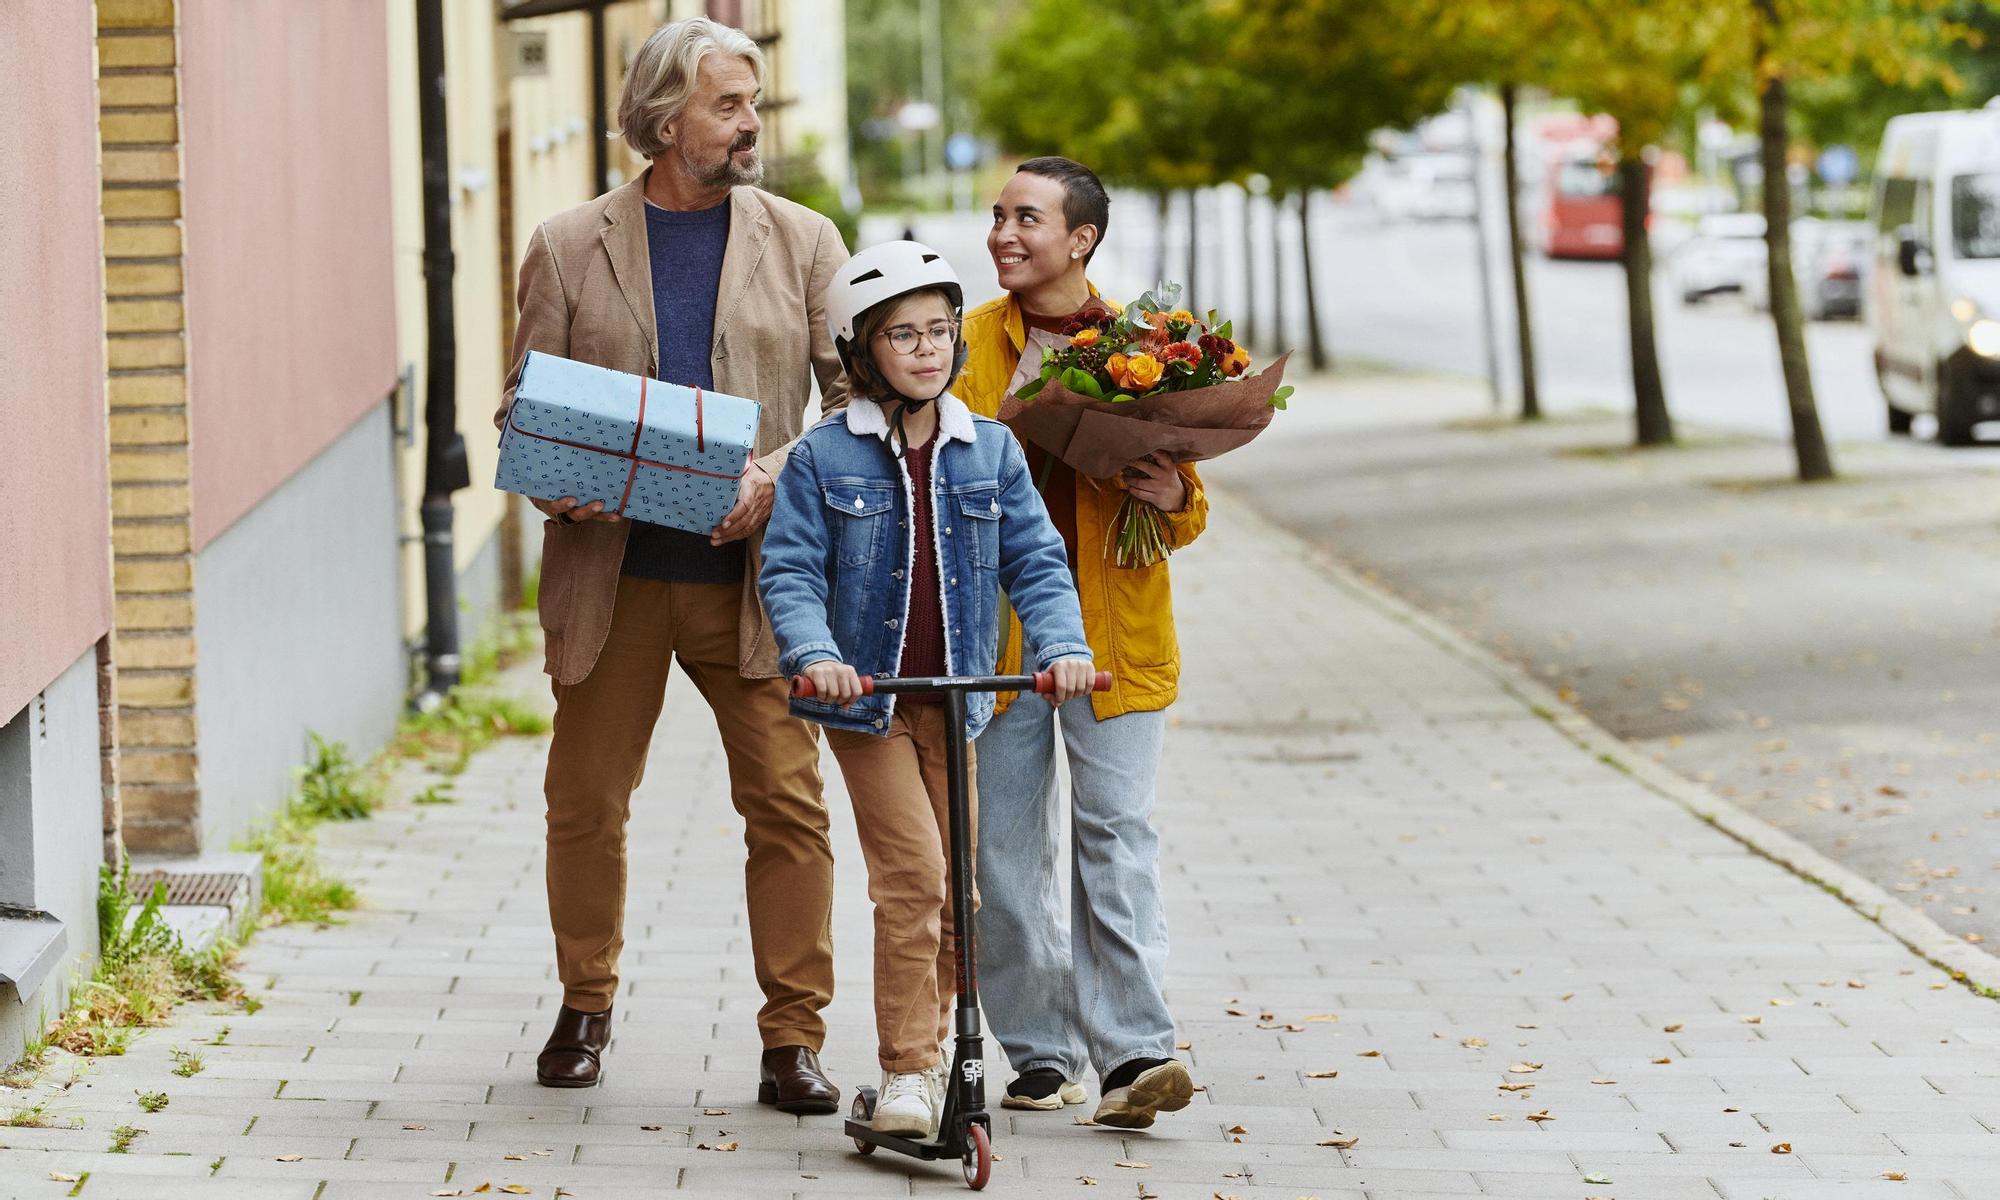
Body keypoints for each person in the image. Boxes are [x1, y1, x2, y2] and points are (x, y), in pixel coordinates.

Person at [494, 16, 850, 1112]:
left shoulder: (803, 240)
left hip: (757, 586)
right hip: (615, 575)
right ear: (663, 119)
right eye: (729, 104)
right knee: (585, 804)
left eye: (751, 102)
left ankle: (793, 1038)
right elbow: (522, 402)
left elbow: (855, 404)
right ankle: (583, 1004)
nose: (751, 122)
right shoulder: (565, 243)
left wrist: (772, 476)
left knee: (787, 810)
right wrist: (553, 472)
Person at [758, 240, 1096, 1138]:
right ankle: (907, 1070)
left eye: (941, 331)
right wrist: (814, 650)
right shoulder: (823, 459)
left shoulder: (990, 451)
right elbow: (789, 572)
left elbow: (1036, 561)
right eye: (902, 335)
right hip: (869, 703)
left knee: (962, 896)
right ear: (860, 351)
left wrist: (1061, 645)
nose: (927, 350)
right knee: (912, 881)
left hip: (962, 699)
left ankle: (937, 1044)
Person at [957, 157, 1204, 1128]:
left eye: (1026, 218)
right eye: (997, 216)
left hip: (1114, 637)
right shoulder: (969, 338)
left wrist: (1169, 494)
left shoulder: (1146, 346)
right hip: (1005, 637)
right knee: (1007, 857)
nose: (1003, 234)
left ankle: (1134, 1053)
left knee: (1115, 841)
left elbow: (1190, 507)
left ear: (1080, 239)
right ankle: (1038, 1049)